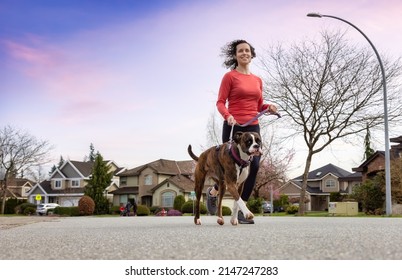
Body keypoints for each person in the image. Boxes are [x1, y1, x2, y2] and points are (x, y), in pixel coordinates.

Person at [206, 39, 277, 224]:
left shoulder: (257, 80)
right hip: (233, 126)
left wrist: (269, 107)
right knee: (229, 172)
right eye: (240, 51)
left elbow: (259, 104)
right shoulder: (230, 77)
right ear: (235, 55)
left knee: (253, 167)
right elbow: (220, 102)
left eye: (247, 50)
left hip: (253, 127)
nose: (244, 53)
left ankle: (241, 210)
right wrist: (227, 116)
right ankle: (213, 193)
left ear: (251, 54)